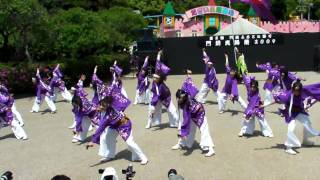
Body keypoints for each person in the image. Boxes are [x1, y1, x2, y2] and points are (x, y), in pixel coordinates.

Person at [86, 91, 148, 165]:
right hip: (114, 126)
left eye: (103, 106)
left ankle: (143, 157)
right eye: (100, 105)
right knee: (106, 137)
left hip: (124, 125)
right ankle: (109, 155)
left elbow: (101, 128)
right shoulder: (106, 109)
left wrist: (92, 141)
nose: (101, 107)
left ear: (107, 106)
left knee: (129, 142)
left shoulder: (107, 117)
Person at [271, 80, 320, 155]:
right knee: (291, 128)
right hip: (290, 113)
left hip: (299, 111)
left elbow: (314, 87)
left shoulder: (303, 90)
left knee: (307, 123)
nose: (296, 92)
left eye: (298, 90)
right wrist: (263, 105)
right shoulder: (287, 95)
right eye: (295, 90)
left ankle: (306, 140)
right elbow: (277, 100)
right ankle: (288, 147)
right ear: (293, 89)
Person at [172, 89, 215, 157]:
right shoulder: (185, 97)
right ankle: (181, 144)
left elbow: (186, 119)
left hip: (200, 114)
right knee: (189, 130)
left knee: (204, 131)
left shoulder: (187, 104)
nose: (178, 99)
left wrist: (183, 132)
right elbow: (191, 88)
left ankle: (211, 149)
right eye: (178, 97)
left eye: (180, 98)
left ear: (184, 97)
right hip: (192, 115)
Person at [146, 50, 178, 129]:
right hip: (155, 96)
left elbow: (157, 96)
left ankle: (177, 122)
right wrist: (158, 54)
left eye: (156, 78)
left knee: (172, 110)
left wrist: (153, 104)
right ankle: (149, 123)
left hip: (165, 96)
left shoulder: (161, 87)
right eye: (153, 77)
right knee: (151, 110)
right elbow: (157, 63)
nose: (154, 79)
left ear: (160, 79)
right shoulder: (155, 79)